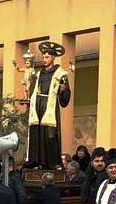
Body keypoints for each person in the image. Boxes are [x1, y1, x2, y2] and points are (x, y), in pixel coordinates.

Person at [27, 41, 72, 169]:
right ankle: (36, 161)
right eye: (43, 57)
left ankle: (52, 162)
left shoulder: (60, 74)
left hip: (49, 106)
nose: (44, 59)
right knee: (36, 132)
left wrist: (63, 90)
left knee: (50, 134)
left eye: (47, 57)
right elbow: (33, 89)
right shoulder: (39, 73)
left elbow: (65, 96)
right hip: (37, 105)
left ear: (53, 58)